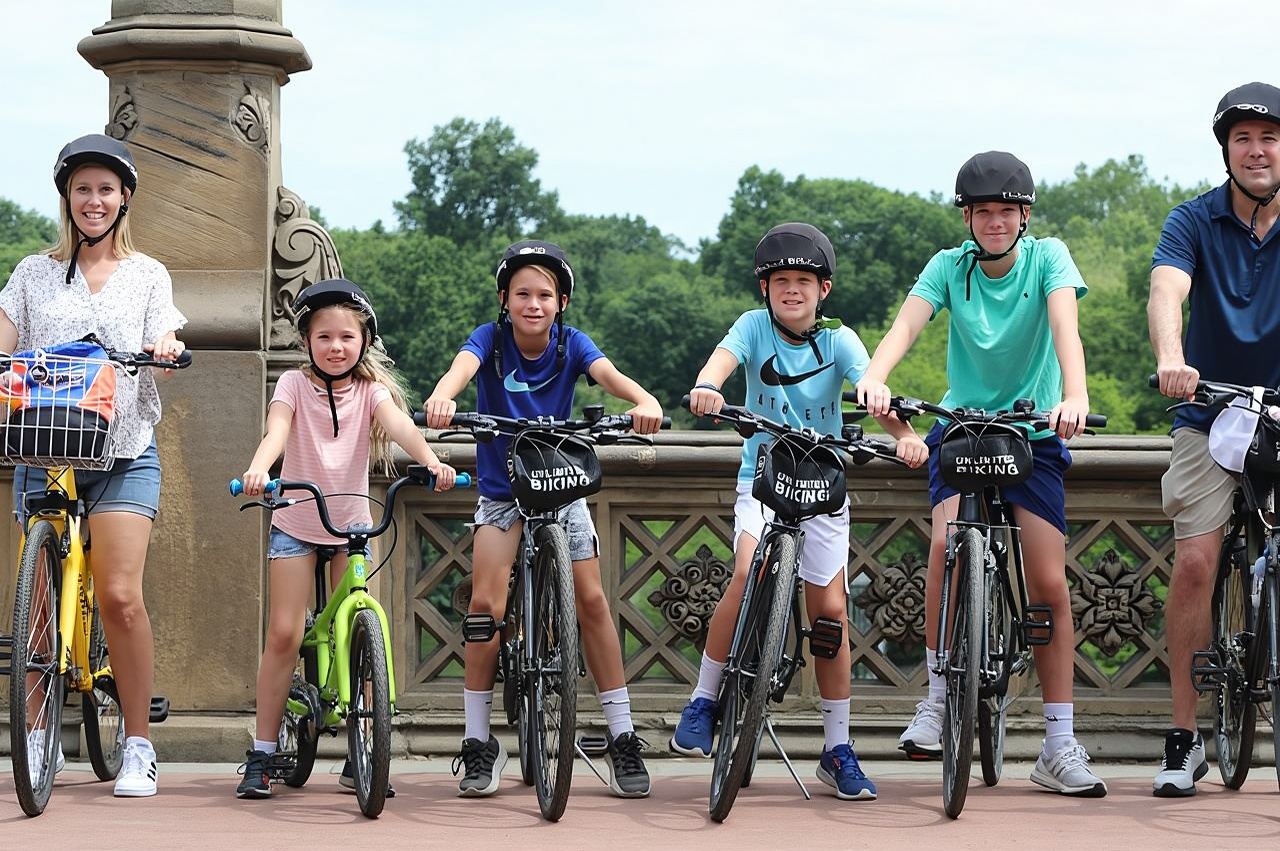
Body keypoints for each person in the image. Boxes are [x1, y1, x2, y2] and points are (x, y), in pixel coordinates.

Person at [856, 152, 1108, 797]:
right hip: (963, 429)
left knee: (1048, 583)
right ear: (967, 217)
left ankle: (1058, 744)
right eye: (983, 211)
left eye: (1006, 210)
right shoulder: (948, 266)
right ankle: (938, 700)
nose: (995, 222)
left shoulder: (1049, 257)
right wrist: (875, 377)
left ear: (1024, 215)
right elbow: (905, 326)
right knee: (944, 546)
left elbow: (1065, 327)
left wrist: (1073, 395)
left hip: (1032, 433)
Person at [672, 222, 928, 801]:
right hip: (762, 481)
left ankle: (837, 749)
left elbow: (870, 388)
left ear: (824, 290)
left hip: (822, 485)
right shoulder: (752, 327)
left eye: (804, 282)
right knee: (743, 573)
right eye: (781, 281)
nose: (792, 290)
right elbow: (720, 363)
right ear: (765, 288)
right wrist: (708, 387)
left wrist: (904, 433)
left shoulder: (839, 340)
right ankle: (704, 699)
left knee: (832, 614)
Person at [424, 239, 663, 799]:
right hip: (503, 492)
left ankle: (623, 735)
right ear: (505, 299)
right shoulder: (491, 340)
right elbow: (460, 370)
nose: (534, 304)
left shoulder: (571, 345)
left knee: (594, 600)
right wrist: (441, 397)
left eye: (546, 295)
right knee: (486, 607)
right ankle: (480, 742)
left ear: (562, 303)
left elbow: (612, 377)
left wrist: (644, 401)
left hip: (560, 486)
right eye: (523, 294)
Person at [0, 134, 187, 797]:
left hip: (123, 449)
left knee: (119, 594)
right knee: (37, 612)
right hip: (44, 448)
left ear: (124, 198)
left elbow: (166, 330)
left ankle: (137, 743)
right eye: (83, 188)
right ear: (67, 198)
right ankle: (36, 731)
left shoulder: (147, 274)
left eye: (106, 189)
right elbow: (4, 338)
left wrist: (164, 345)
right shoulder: (32, 273)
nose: (94, 200)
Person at [234, 278, 457, 799]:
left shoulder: (370, 392)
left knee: (359, 622)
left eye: (347, 338)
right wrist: (259, 469)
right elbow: (277, 432)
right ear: (307, 341)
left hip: (352, 524)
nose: (337, 347)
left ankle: (366, 748)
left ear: (364, 342)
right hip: (294, 518)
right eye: (325, 337)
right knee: (285, 634)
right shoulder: (292, 384)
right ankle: (262, 752)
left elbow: (401, 426)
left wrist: (430, 461)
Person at [1148, 81, 1280, 797]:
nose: (1257, 150)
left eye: (1270, 138)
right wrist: (1173, 357)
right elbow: (1167, 288)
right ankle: (1184, 735)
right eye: (1243, 139)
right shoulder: (1194, 220)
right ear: (1227, 150)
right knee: (1197, 562)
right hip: (1208, 411)